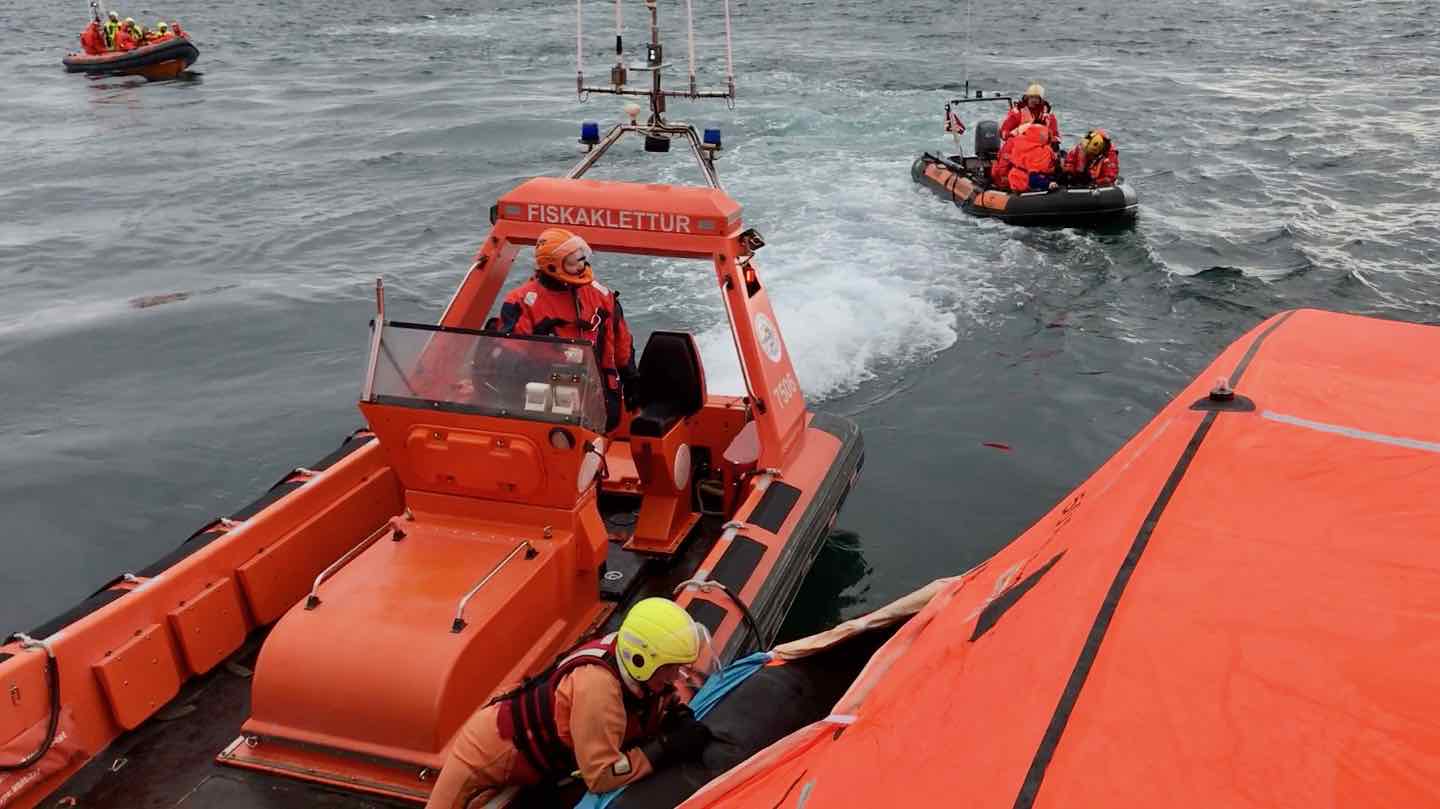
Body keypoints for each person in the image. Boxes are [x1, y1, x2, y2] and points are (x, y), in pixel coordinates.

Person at [423, 598, 712, 809]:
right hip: (488, 755)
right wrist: (662, 748)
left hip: (536, 759)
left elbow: (653, 699)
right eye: (670, 668)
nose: (676, 676)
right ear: (642, 660)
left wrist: (675, 714)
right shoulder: (598, 688)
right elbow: (601, 775)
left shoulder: (629, 656)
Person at [498, 228, 640, 432]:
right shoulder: (523, 302)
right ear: (552, 265)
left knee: (595, 441)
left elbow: (621, 342)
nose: (582, 264)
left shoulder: (602, 296)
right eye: (574, 261)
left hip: (598, 395)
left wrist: (631, 379)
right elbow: (510, 354)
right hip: (545, 396)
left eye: (582, 258)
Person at [1006, 122, 1059, 192]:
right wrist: (1047, 183)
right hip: (1026, 180)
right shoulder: (1039, 151)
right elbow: (1034, 175)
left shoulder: (1019, 142)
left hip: (1016, 178)